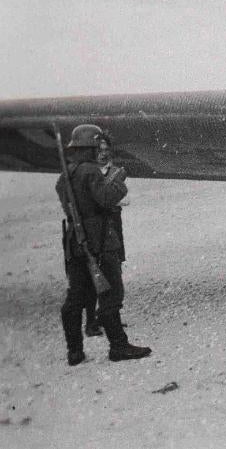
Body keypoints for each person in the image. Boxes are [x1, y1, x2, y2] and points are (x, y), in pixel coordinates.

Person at [57, 124, 151, 366]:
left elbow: (71, 202)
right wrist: (118, 181)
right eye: (95, 146)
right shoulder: (90, 171)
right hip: (99, 240)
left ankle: (74, 351)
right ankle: (118, 347)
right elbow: (106, 199)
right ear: (89, 147)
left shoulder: (66, 174)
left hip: (76, 242)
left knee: (76, 297)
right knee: (110, 294)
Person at [84, 137, 128, 337]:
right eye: (99, 149)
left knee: (114, 265)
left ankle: (108, 316)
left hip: (113, 221)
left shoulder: (114, 171)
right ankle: (91, 321)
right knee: (93, 271)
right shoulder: (88, 173)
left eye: (106, 149)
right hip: (95, 224)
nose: (103, 153)